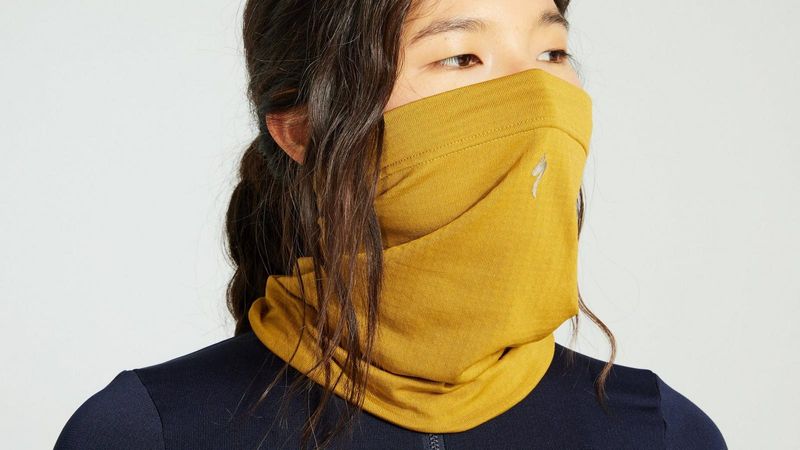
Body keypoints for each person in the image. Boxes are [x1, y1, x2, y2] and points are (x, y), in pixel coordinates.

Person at [54, 0, 728, 449]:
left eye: (553, 52)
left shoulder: (665, 434)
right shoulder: (147, 432)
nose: (541, 97)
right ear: (303, 130)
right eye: (461, 57)